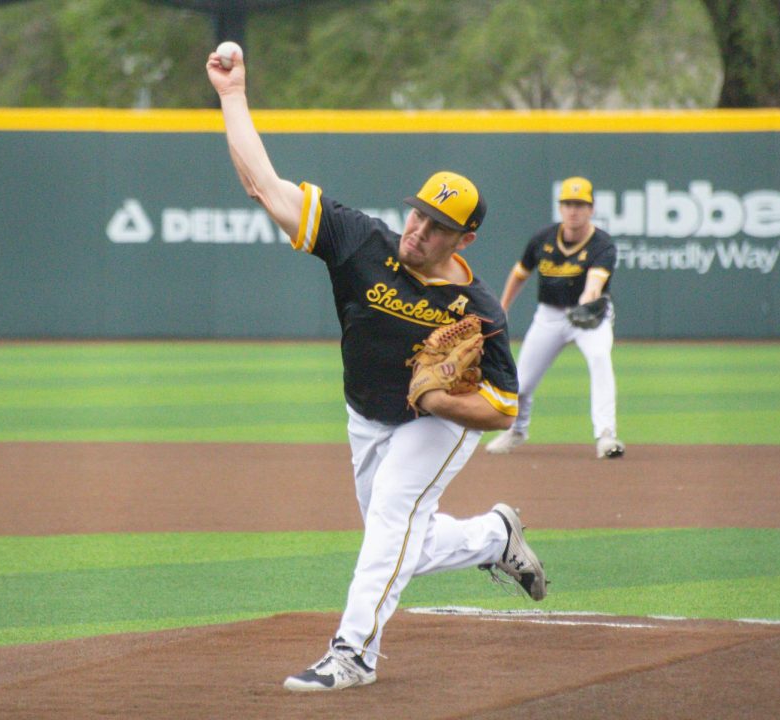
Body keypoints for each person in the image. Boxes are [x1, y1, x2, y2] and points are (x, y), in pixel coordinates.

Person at [206, 46, 547, 692]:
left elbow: (503, 405)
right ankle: (494, 536)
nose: (419, 229)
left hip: (435, 423)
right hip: (365, 412)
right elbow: (265, 187)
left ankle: (352, 653)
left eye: (439, 226)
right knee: (397, 545)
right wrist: (232, 95)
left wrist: (444, 403)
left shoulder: (477, 314)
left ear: (464, 240)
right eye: (419, 212)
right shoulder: (362, 241)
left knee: (393, 513)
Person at [485, 177, 625, 459]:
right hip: (549, 315)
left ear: (591, 208)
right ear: (560, 208)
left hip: (589, 318)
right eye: (568, 204)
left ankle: (606, 435)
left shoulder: (602, 244)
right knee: (521, 382)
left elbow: (595, 284)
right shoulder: (543, 239)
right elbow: (520, 273)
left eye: (580, 204)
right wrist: (503, 306)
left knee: (600, 359)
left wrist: (587, 301)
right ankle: (517, 431)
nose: (574, 210)